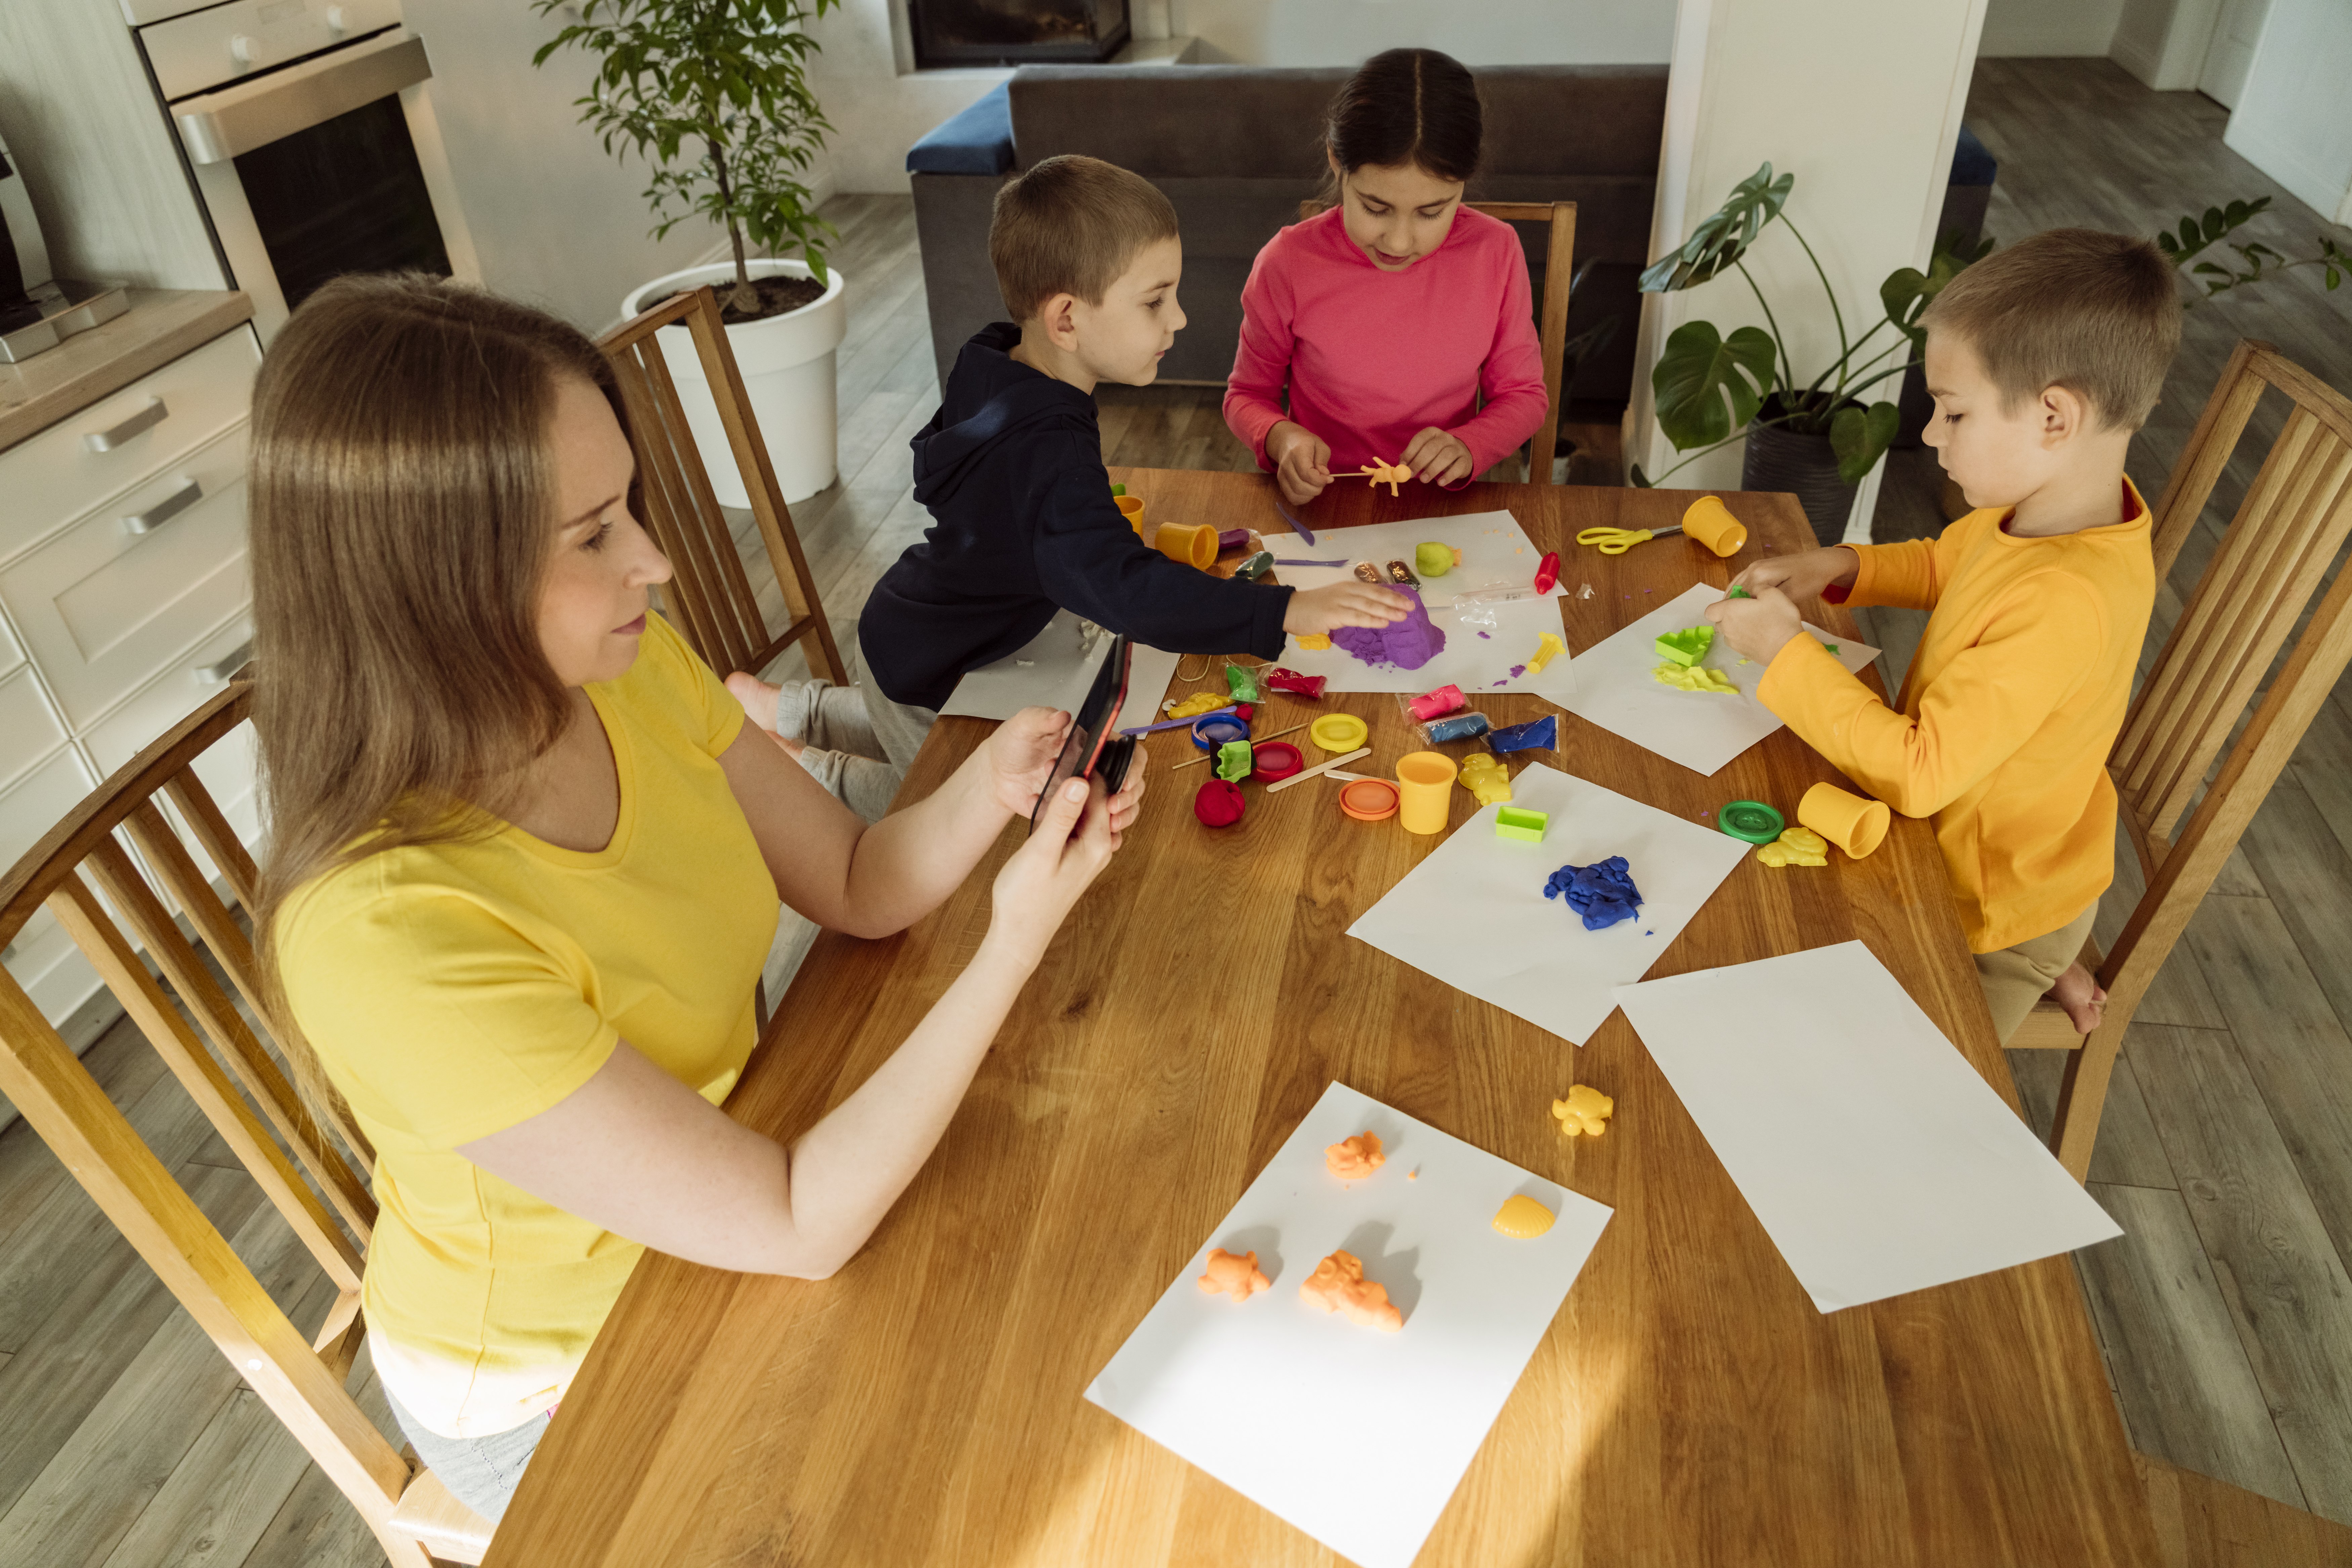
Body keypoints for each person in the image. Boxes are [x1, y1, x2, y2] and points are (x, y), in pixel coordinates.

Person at [251, 275, 1146, 1522]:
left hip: (757, 1161)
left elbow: (850, 881)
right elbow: (794, 1220)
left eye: (628, 509)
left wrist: (990, 794)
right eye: (594, 533)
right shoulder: (385, 933)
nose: (656, 561)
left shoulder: (614, 667)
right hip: (567, 1377)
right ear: (431, 581)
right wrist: (1014, 941)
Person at [733, 154, 1406, 815]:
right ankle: (803, 776)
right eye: (1153, 301)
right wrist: (1285, 611)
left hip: (919, 629)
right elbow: (1127, 589)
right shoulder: (1044, 451)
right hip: (936, 665)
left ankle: (791, 709)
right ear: (1065, 320)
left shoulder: (1002, 361)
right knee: (958, 819)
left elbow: (1037, 520)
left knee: (917, 734)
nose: (1177, 320)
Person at [1706, 228, 2182, 1045]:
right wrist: (1840, 563)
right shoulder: (2041, 508)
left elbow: (1920, 775)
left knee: (1832, 1058)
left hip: (1975, 912)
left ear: (2054, 417)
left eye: (1952, 412)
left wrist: (1782, 653)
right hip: (1984, 856)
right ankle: (2050, 942)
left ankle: (2036, 955)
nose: (1929, 435)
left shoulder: (2066, 598)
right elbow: (1944, 567)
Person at [1222, 48, 1550, 507]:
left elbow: (1524, 395)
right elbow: (1246, 395)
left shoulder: (1495, 252)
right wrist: (1282, 439)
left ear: (1463, 184)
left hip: (1443, 503)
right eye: (1376, 208)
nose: (1399, 242)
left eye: (1432, 212)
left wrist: (1470, 444)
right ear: (1338, 163)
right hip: (1329, 500)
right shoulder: (1288, 262)